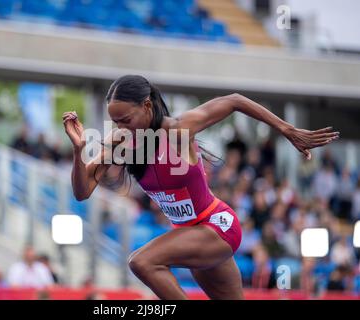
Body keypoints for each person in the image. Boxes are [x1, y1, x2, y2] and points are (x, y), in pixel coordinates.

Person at [62, 75, 339, 300]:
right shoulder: (120, 142)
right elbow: (82, 191)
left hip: (217, 226)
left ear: (147, 106)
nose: (122, 127)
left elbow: (234, 101)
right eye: (116, 121)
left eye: (127, 119)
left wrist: (286, 129)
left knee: (140, 262)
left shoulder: (178, 129)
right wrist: (78, 151)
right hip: (191, 237)